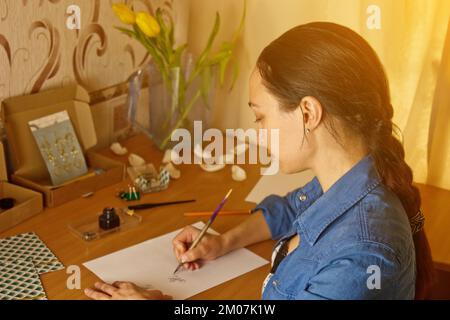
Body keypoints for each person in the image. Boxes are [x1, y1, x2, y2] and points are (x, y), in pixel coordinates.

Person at [85, 22, 434, 300]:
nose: (258, 133)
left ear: (308, 112)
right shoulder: (349, 178)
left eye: (260, 117)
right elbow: (291, 209)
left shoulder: (359, 259)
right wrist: (223, 241)